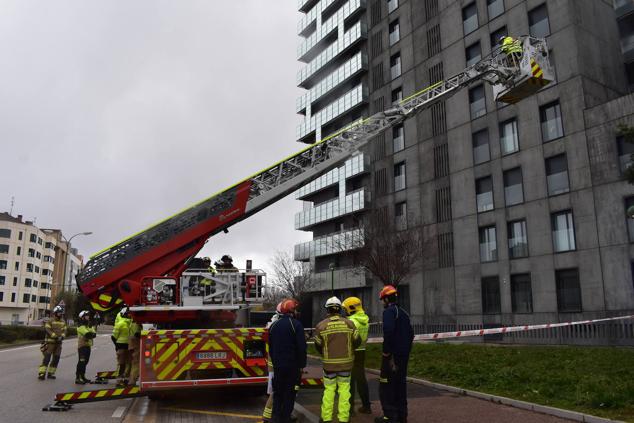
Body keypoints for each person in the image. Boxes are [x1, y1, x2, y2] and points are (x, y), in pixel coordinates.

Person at [314, 297, 360, 423]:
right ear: (340, 309)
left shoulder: (321, 326)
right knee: (345, 391)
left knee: (329, 391)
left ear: (327, 310)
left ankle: (326, 418)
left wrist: (325, 354)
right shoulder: (350, 324)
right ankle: (344, 418)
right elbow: (357, 341)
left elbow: (318, 345)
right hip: (346, 364)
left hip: (329, 366)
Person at [375, 285, 414, 423]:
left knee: (386, 386)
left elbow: (388, 332)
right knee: (400, 386)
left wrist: (386, 353)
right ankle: (402, 416)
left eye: (382, 300)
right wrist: (406, 351)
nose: (381, 302)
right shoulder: (403, 313)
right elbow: (411, 334)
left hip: (392, 356)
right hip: (403, 356)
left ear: (386, 299)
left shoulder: (389, 312)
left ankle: (389, 416)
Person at [268, 298, 307, 423]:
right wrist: (302, 364)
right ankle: (285, 418)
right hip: (292, 367)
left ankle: (275, 417)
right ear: (291, 311)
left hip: (278, 366)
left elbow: (271, 348)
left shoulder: (273, 326)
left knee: (278, 392)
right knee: (290, 393)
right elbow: (301, 347)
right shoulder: (296, 325)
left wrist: (275, 363)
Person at [342, 296, 371, 415]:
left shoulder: (351, 322)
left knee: (349, 381)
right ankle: (366, 406)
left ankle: (350, 409)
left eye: (346, 309)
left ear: (351, 308)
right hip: (362, 351)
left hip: (351, 352)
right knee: (361, 379)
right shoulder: (364, 320)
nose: (344, 311)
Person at [262, 303, 282, 423]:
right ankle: (268, 417)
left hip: (273, 365)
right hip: (277, 366)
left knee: (275, 392)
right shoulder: (277, 326)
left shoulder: (272, 325)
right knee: (275, 392)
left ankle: (271, 415)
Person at [38, 305, 67, 380]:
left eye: (61, 313)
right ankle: (42, 373)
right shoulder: (50, 321)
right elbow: (48, 329)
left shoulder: (63, 321)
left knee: (56, 359)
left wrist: (62, 336)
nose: (60, 314)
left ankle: (51, 373)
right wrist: (55, 336)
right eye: (59, 312)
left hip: (59, 343)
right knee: (47, 358)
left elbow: (65, 330)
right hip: (50, 343)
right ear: (55, 313)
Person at [75, 310, 97, 384]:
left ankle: (83, 376)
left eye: (88, 315)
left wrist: (92, 333)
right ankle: (78, 378)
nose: (88, 317)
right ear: (82, 317)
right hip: (82, 346)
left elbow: (94, 334)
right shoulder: (80, 326)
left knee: (86, 362)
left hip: (88, 346)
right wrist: (91, 333)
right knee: (81, 362)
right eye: (86, 316)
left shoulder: (88, 325)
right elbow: (88, 334)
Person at [112, 307, 131, 387]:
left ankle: (123, 381)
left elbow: (114, 337)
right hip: (124, 346)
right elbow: (113, 337)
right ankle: (122, 381)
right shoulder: (125, 323)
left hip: (124, 346)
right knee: (124, 364)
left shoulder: (126, 323)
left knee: (125, 364)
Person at [128, 317, 142, 386]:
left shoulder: (132, 323)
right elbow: (137, 334)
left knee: (134, 363)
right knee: (136, 363)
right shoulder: (136, 324)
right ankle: (132, 381)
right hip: (136, 342)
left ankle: (132, 380)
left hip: (132, 343)